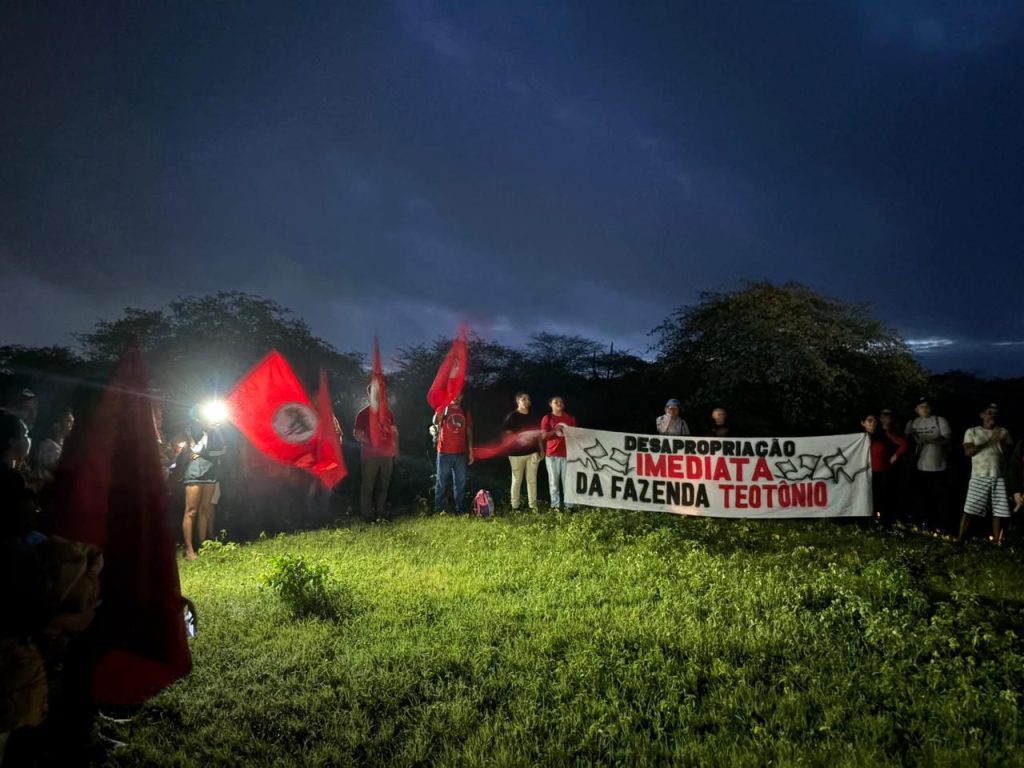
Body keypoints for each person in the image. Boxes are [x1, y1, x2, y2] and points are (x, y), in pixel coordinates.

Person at [958, 404, 1013, 543]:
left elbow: (1009, 455)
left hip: (999, 476)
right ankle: (960, 541)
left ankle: (997, 542)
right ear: (982, 415)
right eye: (989, 413)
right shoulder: (972, 431)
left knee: (999, 512)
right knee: (969, 509)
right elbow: (968, 452)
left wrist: (1002, 441)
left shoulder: (1003, 431)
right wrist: (990, 440)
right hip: (979, 476)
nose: (992, 415)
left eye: (995, 413)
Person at [180, 420, 226, 560]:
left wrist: (214, 429)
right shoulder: (192, 428)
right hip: (195, 471)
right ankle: (189, 549)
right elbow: (195, 449)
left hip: (210, 472)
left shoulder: (216, 430)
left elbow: (222, 450)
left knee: (205, 509)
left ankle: (203, 545)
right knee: (191, 510)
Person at [904, 397, 952, 528]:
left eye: (926, 406)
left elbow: (947, 440)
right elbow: (907, 440)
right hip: (920, 466)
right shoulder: (913, 423)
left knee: (940, 498)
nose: (924, 409)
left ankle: (942, 525)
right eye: (921, 407)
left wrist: (929, 440)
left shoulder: (939, 420)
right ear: (916, 409)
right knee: (923, 497)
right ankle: (924, 523)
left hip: (939, 467)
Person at [354, 390, 398, 520]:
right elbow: (357, 434)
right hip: (370, 456)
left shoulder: (388, 413)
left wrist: (394, 448)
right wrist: (373, 442)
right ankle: (367, 515)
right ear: (369, 394)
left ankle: (381, 512)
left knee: (384, 485)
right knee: (368, 485)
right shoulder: (363, 414)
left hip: (386, 455)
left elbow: (393, 432)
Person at [861, 412, 909, 523]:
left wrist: (894, 457)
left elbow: (904, 444)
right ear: (863, 423)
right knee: (869, 497)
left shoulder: (884, 434)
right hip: (867, 473)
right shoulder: (860, 437)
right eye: (869, 420)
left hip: (883, 472)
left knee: (884, 498)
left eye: (875, 421)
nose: (872, 423)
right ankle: (869, 520)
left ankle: (885, 521)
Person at [433, 393, 473, 513]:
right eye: (454, 395)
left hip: (460, 453)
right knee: (441, 482)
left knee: (460, 483)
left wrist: (471, 451)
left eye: (459, 395)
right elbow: (435, 421)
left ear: (462, 397)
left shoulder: (465, 411)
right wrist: (440, 410)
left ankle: (460, 510)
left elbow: (469, 431)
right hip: (444, 452)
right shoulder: (444, 408)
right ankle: (438, 509)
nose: (456, 397)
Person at [503, 392, 543, 511]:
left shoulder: (533, 416)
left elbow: (538, 434)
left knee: (532, 480)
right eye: (523, 399)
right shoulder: (512, 416)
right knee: (517, 480)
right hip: (516, 454)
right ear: (518, 401)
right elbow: (507, 434)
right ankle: (515, 506)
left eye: (528, 399)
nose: (526, 401)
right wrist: (520, 438)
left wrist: (541, 448)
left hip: (532, 453)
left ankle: (533, 506)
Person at [26, 407, 74, 492]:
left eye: (72, 422)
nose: (72, 425)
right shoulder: (48, 446)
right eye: (68, 421)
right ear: (56, 425)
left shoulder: (60, 447)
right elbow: (61, 468)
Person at [541, 396, 577, 509]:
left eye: (561, 401)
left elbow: (576, 436)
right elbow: (544, 436)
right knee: (554, 482)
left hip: (567, 454)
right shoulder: (547, 418)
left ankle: (569, 506)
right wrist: (555, 430)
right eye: (556, 402)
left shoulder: (570, 418)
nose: (559, 403)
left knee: (568, 482)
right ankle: (555, 506)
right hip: (552, 455)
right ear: (550, 404)